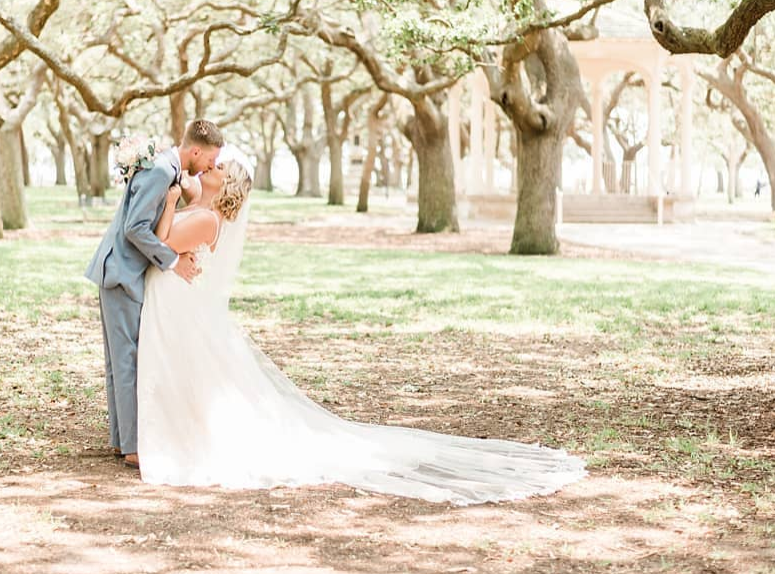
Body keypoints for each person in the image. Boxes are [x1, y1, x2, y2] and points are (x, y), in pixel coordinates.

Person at [135, 151, 587, 505]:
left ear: (225, 181)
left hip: (180, 307)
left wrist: (172, 197)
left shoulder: (207, 218)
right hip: (180, 306)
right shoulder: (209, 213)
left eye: (217, 166)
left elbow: (163, 240)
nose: (208, 167)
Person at [84, 120, 223, 470]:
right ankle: (132, 447)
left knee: (120, 361)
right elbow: (134, 228)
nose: (210, 165)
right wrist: (172, 260)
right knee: (128, 359)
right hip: (123, 273)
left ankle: (121, 441)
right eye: (210, 158)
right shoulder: (162, 170)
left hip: (118, 272)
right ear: (195, 150)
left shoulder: (167, 169)